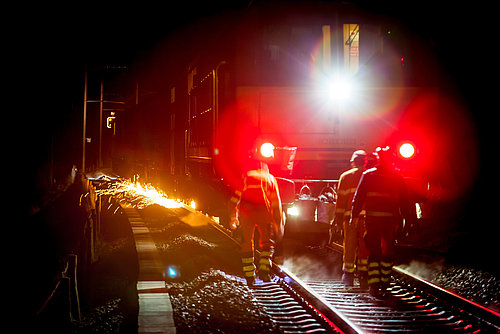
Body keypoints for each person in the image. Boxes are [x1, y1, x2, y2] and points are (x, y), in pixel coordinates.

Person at [350, 146, 415, 296]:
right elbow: (405, 202)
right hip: (390, 221)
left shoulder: (368, 175)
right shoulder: (396, 177)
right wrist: (408, 220)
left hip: (373, 220)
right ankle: (384, 282)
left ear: (377, 158)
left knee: (374, 252)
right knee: (388, 252)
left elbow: (358, 198)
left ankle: (374, 285)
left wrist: (354, 217)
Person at [230, 159, 283, 286]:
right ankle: (264, 270)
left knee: (246, 242)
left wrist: (233, 217)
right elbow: (276, 204)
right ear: (266, 168)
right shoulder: (270, 179)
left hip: (246, 214)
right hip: (264, 214)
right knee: (267, 242)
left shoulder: (246, 177)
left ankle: (250, 277)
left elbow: (234, 199)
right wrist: (277, 223)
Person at [333, 150, 369, 288]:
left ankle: (348, 277)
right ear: (365, 162)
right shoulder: (370, 175)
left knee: (349, 247)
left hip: (349, 219)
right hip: (366, 219)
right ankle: (363, 277)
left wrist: (337, 219)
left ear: (352, 161)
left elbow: (341, 201)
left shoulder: (346, 177)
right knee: (365, 247)